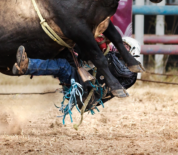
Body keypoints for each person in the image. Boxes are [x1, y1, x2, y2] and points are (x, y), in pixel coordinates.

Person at [12, 36, 141, 110]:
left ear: (133, 52)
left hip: (86, 93)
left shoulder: (130, 74)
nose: (120, 48)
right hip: (82, 79)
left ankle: (27, 66)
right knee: (65, 50)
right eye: (121, 45)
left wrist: (105, 47)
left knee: (62, 66)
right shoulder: (109, 57)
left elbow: (116, 66)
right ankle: (26, 59)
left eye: (125, 47)